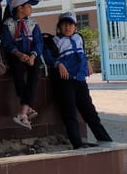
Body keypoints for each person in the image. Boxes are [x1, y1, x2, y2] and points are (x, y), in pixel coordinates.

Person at [44, 11, 113, 149]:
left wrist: (86, 61)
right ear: (59, 27)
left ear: (75, 26)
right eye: (63, 24)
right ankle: (77, 144)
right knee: (70, 114)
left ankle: (107, 143)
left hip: (80, 81)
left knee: (90, 113)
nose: (67, 27)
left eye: (70, 24)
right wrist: (58, 64)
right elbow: (47, 57)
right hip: (66, 81)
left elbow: (82, 53)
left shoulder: (79, 38)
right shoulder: (54, 41)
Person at [1, 0, 43, 131]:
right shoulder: (8, 24)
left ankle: (23, 112)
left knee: (34, 75)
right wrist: (19, 54)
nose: (31, 8)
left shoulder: (33, 24)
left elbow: (39, 43)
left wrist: (33, 55)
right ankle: (26, 110)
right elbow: (7, 44)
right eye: (29, 5)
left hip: (32, 56)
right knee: (17, 72)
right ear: (20, 8)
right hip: (16, 55)